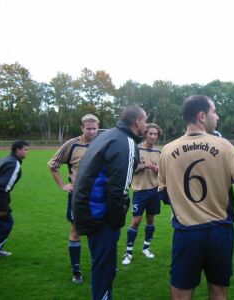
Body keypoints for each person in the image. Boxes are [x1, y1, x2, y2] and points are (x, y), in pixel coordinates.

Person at [158, 95, 234, 300]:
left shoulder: (167, 150)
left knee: (181, 292)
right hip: (219, 232)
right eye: (214, 111)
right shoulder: (223, 146)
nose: (218, 116)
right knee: (218, 291)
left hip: (186, 233)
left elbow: (165, 195)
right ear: (202, 116)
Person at [72, 105, 147, 300]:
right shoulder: (126, 142)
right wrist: (116, 223)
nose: (146, 125)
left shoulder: (106, 136)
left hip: (87, 211)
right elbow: (119, 189)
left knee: (103, 267)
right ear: (137, 121)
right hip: (101, 217)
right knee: (104, 272)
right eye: (145, 121)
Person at [48, 114, 99, 283]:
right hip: (79, 196)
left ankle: (100, 264)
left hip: (99, 196)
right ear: (82, 128)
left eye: (94, 128)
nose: (92, 131)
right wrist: (63, 185)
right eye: (88, 128)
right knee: (76, 231)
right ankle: (76, 271)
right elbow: (53, 165)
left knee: (98, 231)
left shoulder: (102, 143)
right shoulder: (72, 144)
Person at [121, 123, 163, 265]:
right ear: (145, 134)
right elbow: (129, 169)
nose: (152, 136)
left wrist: (158, 170)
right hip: (140, 191)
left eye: (155, 134)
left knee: (151, 220)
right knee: (136, 221)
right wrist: (143, 166)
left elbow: (163, 173)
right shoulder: (136, 149)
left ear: (158, 136)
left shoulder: (159, 152)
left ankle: (146, 248)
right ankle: (128, 252)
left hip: (154, 190)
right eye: (150, 133)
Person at [0, 140, 29, 258]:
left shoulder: (4, 159)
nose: (27, 152)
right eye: (25, 149)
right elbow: (3, 187)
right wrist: (3, 207)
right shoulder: (14, 164)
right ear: (18, 150)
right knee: (7, 223)